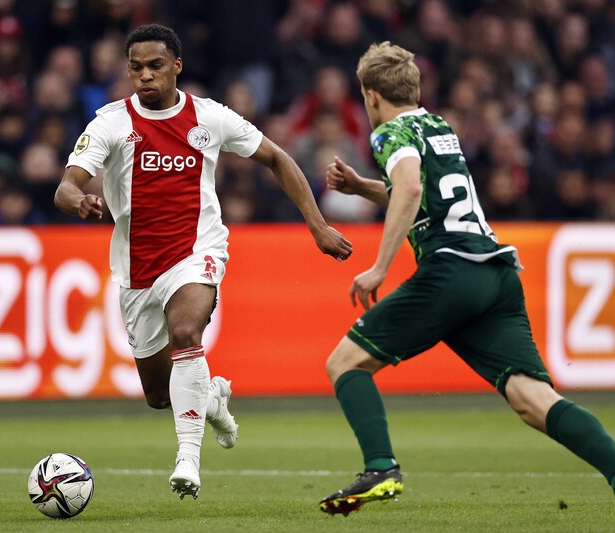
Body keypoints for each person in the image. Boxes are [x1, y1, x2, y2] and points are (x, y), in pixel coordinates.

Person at [55, 24, 352, 500]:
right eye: (136, 68)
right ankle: (210, 398)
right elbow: (66, 186)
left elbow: (278, 159)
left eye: (155, 66)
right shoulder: (111, 123)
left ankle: (188, 461)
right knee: (158, 395)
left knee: (186, 332)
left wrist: (317, 226)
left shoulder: (210, 117)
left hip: (197, 252)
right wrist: (80, 201)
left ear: (177, 66)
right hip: (136, 270)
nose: (145, 75)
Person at [318, 41, 615, 515]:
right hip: (496, 273)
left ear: (371, 95)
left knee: (345, 363)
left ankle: (381, 467)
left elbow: (409, 189)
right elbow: (421, 193)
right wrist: (362, 187)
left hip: (451, 271)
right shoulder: (439, 126)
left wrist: (380, 267)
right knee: (532, 399)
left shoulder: (389, 132)